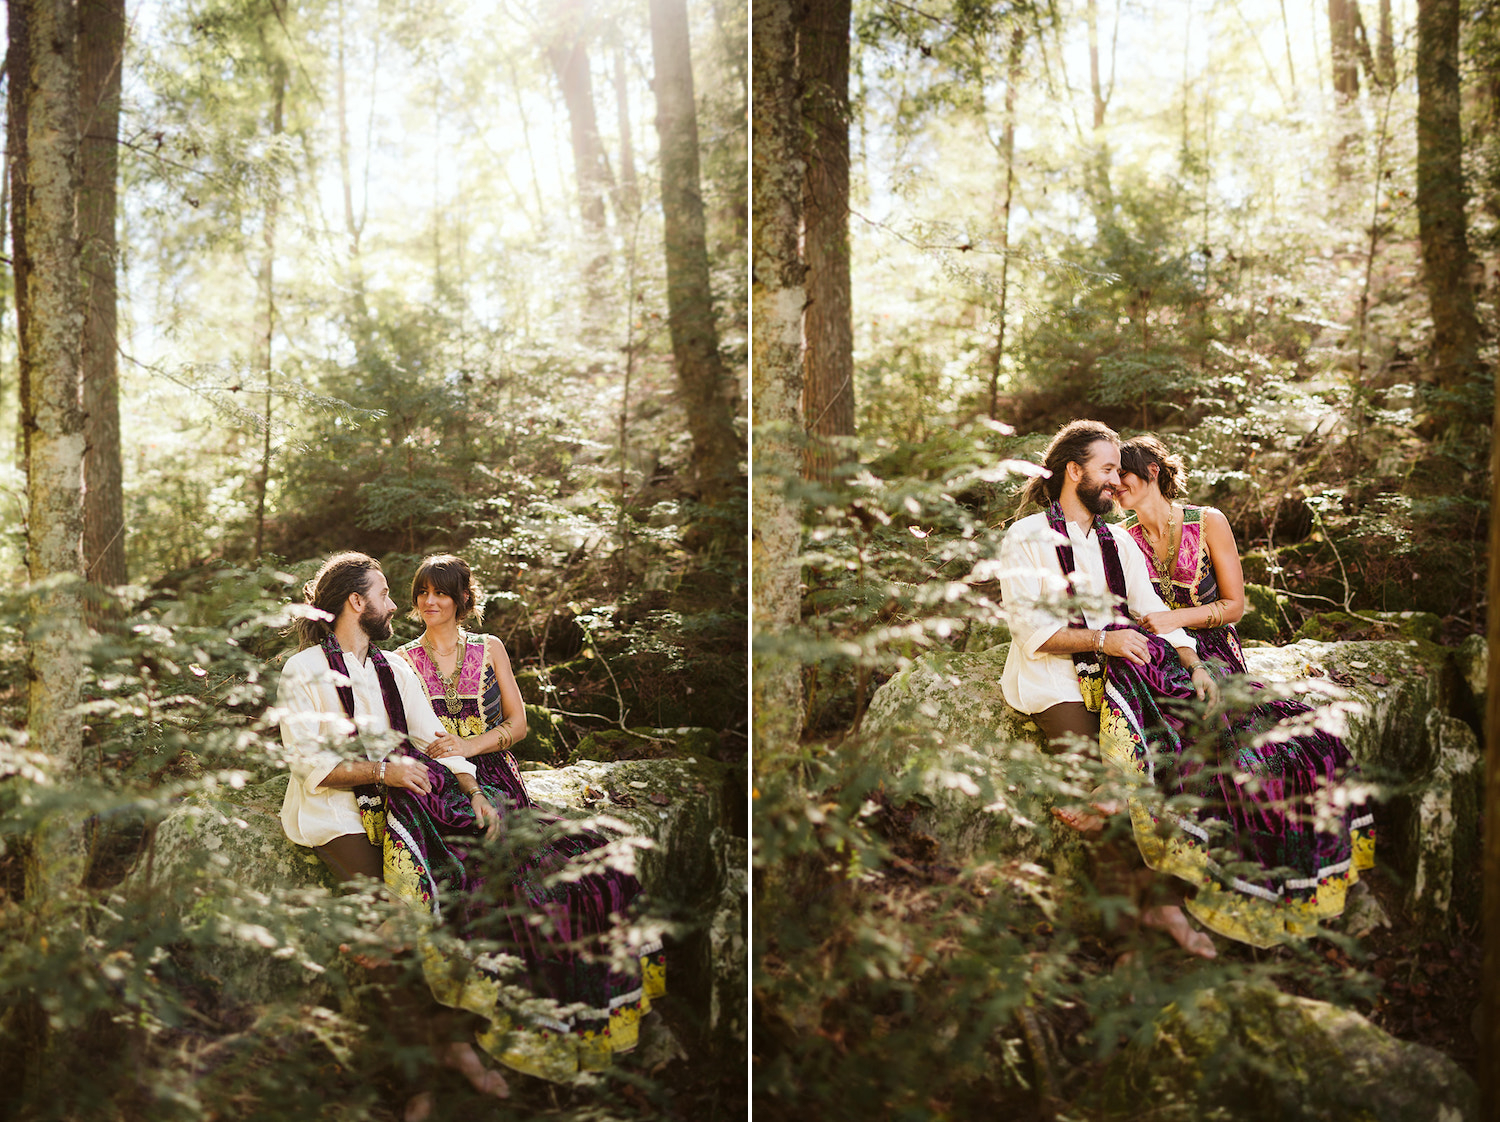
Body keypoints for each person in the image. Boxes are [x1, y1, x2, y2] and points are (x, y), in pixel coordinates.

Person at [396, 554, 665, 1081]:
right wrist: (447, 761)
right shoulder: (402, 659)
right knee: (500, 886)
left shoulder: (488, 647)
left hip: (497, 775)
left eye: (440, 592)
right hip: (443, 782)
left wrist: (472, 743)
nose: (430, 602)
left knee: (592, 873)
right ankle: (492, 1020)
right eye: (421, 592)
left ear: (461, 598)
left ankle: (591, 1017)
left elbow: (518, 725)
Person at [1114, 433, 1375, 942]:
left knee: (1298, 748)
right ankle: (1188, 875)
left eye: (1121, 477)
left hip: (1216, 650)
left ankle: (1288, 879)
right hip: (1166, 654)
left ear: (1149, 474)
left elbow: (1235, 606)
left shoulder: (1207, 521)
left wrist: (1174, 617)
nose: (1114, 487)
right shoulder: (1122, 536)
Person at [275, 551, 510, 1114]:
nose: (394, 605)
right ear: (357, 602)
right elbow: (313, 767)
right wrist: (385, 771)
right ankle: (418, 1080)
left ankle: (457, 1042)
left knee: (462, 894)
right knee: (389, 933)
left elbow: (431, 736)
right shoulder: (303, 671)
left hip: (403, 814)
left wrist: (474, 790)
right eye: (383, 594)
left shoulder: (394, 668)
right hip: (334, 818)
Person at [998, 420, 1219, 958]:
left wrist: (1193, 661)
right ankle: (1123, 942)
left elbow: (1151, 611)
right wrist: (1105, 640)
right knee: (1103, 793)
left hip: (1121, 681)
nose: (1118, 481)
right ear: (1074, 472)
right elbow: (1036, 635)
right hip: (1056, 683)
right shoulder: (1025, 538)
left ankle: (1164, 903)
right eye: (1108, 470)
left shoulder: (1116, 538)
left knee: (1180, 758)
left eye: (1118, 470)